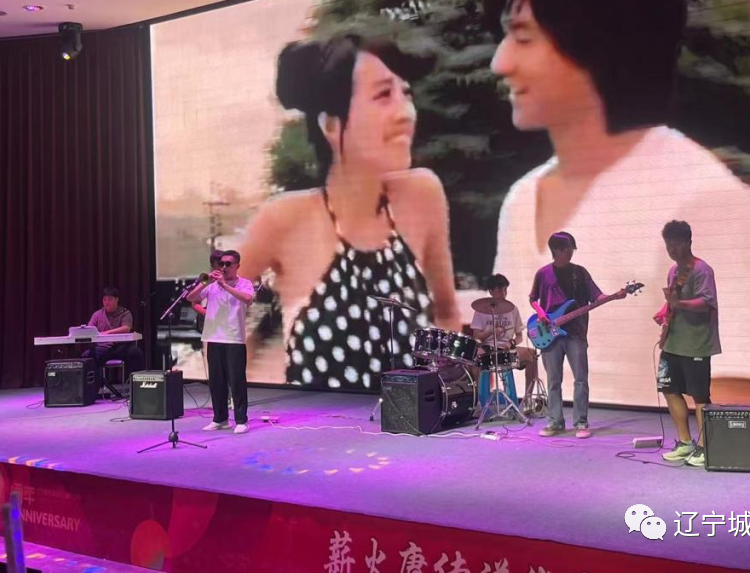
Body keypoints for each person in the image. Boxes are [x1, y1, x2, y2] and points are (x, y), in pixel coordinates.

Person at [488, 0, 750, 409]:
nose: (500, 62)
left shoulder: (706, 198)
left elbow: (739, 411)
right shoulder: (521, 199)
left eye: (523, 37)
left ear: (594, 39)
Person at [238, 33, 459, 389]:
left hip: (410, 418)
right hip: (317, 419)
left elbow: (446, 315)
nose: (406, 113)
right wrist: (235, 397)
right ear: (331, 124)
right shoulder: (283, 220)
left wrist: (448, 391)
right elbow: (221, 316)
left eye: (407, 94)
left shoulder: (422, 195)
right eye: (384, 95)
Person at [530, 232, 629, 438]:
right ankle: (555, 422)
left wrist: (614, 296)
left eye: (572, 249)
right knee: (553, 380)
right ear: (556, 250)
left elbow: (597, 296)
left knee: (581, 379)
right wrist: (541, 315)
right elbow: (533, 299)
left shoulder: (580, 273)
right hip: (550, 333)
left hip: (576, 332)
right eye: (567, 249)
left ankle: (581, 423)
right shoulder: (543, 273)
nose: (570, 252)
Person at [655, 220, 719, 468]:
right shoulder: (674, 271)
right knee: (669, 388)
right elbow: (673, 302)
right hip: (673, 342)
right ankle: (685, 442)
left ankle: (705, 447)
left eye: (677, 244)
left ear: (689, 242)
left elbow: (706, 303)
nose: (673, 250)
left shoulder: (702, 270)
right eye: (669, 245)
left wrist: (679, 304)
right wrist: (664, 311)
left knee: (699, 395)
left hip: (696, 343)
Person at [187, 249, 255, 432]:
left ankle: (241, 420)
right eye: (221, 264)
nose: (223, 267)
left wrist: (225, 285)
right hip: (213, 336)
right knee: (216, 381)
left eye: (228, 264)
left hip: (234, 338)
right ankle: (220, 419)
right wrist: (205, 282)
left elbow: (248, 299)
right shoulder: (212, 285)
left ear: (237, 266)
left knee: (237, 381)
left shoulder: (244, 283)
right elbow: (191, 298)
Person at [470, 273, 539, 411]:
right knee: (474, 358)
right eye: (499, 290)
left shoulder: (512, 309)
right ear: (491, 291)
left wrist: (512, 343)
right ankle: (477, 402)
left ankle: (528, 400)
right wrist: (491, 332)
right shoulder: (481, 310)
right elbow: (476, 336)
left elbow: (519, 335)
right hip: (488, 348)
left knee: (532, 355)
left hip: (507, 348)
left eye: (505, 290)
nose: (503, 293)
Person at [83, 287, 142, 376]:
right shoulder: (97, 314)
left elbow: (126, 328)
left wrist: (106, 333)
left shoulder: (125, 313)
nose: (107, 302)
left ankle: (135, 381)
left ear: (117, 300)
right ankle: (95, 382)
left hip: (120, 347)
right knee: (87, 356)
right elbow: (89, 329)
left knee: (136, 353)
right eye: (105, 300)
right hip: (103, 347)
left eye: (110, 300)